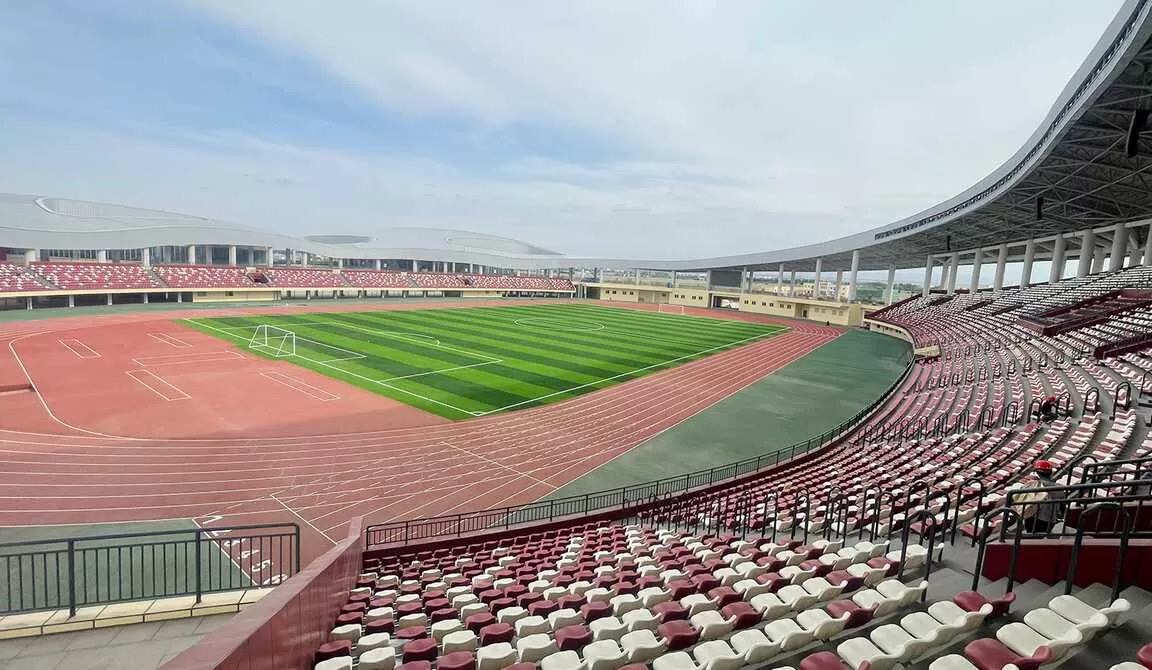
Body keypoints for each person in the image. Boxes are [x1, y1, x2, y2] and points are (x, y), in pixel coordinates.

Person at [1018, 460, 1063, 534]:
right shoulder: (1060, 487)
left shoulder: (1032, 485)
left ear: (1036, 473)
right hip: (1051, 520)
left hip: (1033, 518)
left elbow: (1017, 496)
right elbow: (1062, 505)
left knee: (1031, 536)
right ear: (1051, 473)